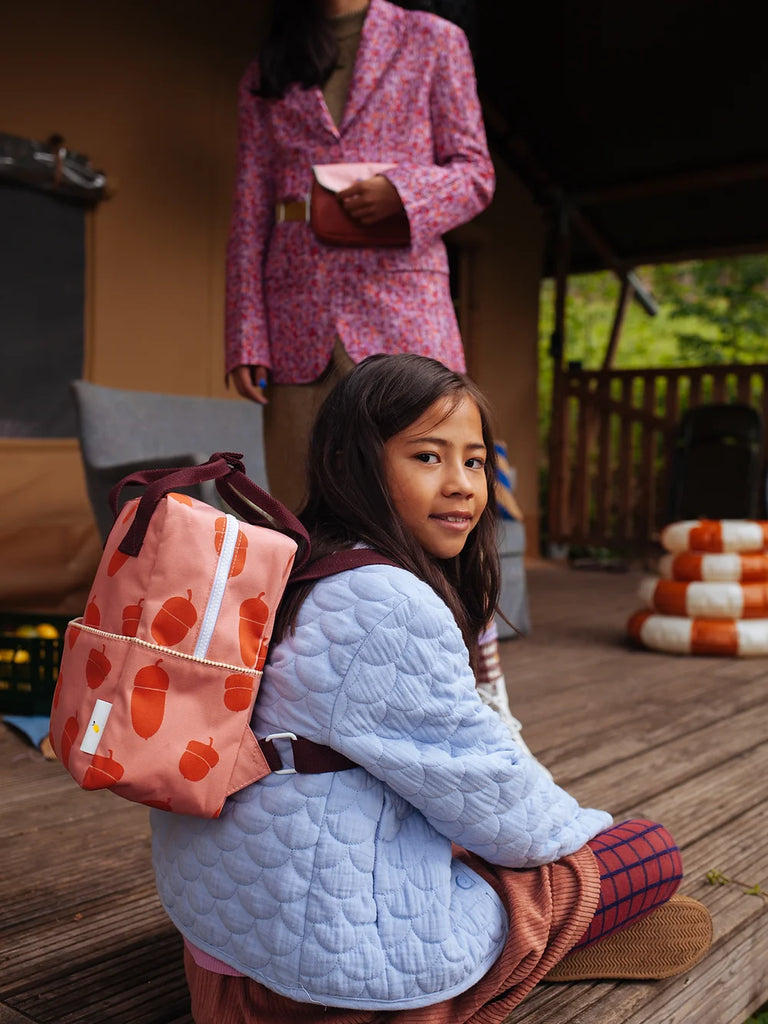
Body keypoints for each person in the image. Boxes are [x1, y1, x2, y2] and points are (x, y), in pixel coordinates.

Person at [151, 354, 712, 1024]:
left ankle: (529, 935)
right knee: (649, 852)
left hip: (223, 940)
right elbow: (498, 799)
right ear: (349, 461)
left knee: (451, 825)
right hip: (309, 987)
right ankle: (529, 946)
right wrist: (586, 838)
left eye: (475, 462)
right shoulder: (385, 601)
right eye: (427, 457)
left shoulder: (290, 560)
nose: (462, 486)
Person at [224, 0, 495, 512]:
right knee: (299, 505)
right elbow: (248, 207)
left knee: (413, 507)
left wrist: (403, 191)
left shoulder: (434, 39)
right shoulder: (269, 66)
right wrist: (245, 333)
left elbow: (476, 174)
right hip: (297, 319)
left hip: (405, 308)